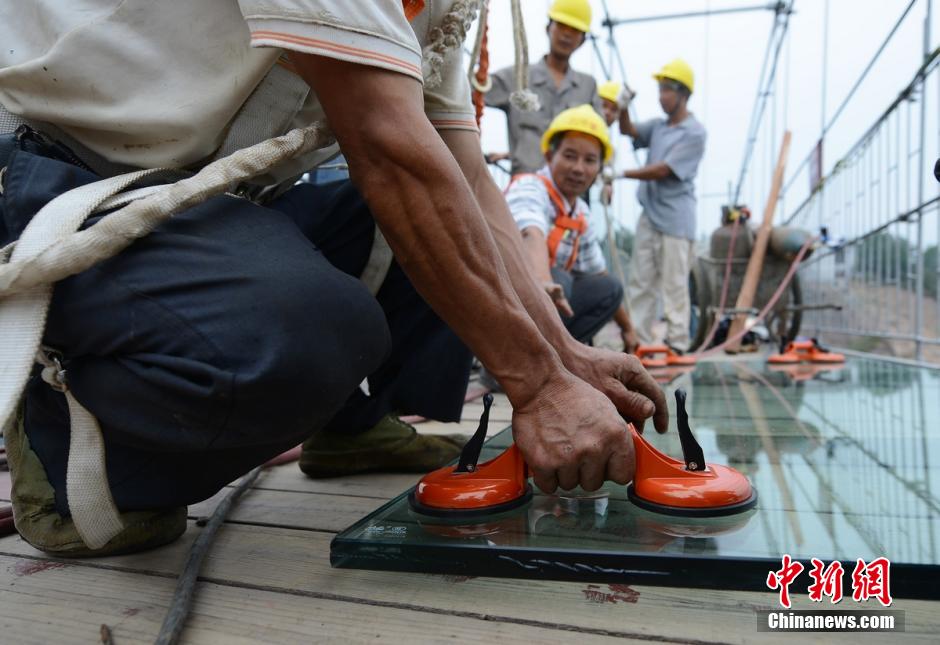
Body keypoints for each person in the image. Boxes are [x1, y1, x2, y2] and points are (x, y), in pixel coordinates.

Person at [0, 1, 667, 557]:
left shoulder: (443, 7)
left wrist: (564, 356)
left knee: (432, 222)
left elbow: (461, 173)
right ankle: (64, 425)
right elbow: (385, 142)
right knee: (304, 326)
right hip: (50, 173)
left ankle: (352, 422)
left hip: (205, 198)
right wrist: (538, 384)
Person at [505, 105, 638, 352]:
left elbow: (597, 273)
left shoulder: (580, 214)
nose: (579, 168)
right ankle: (510, 361)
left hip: (545, 307)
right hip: (506, 300)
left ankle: (557, 356)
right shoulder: (530, 187)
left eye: (590, 160)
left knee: (609, 289)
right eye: (569, 156)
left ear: (598, 169)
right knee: (561, 281)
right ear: (549, 156)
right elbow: (530, 231)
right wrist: (544, 282)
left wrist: (627, 328)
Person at [616, 59, 706, 351]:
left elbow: (663, 170)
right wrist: (623, 106)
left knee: (674, 284)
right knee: (640, 282)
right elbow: (628, 130)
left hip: (676, 221)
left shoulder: (694, 133)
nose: (661, 96)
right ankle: (637, 341)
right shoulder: (658, 127)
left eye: (666, 90)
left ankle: (678, 341)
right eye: (659, 89)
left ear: (683, 94)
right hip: (650, 216)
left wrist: (620, 173)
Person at [485, 0, 602, 175]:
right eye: (561, 26)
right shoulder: (517, 77)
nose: (567, 35)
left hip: (570, 190)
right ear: (548, 29)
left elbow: (598, 137)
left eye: (575, 30)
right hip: (525, 186)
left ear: (583, 40)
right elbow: (469, 92)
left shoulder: (588, 86)